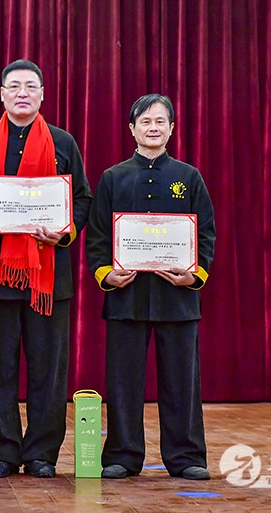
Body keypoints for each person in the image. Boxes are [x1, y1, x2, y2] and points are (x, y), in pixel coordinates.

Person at [0, 59, 91, 478]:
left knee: (48, 370)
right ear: (1, 94)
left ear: (42, 94)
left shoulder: (63, 143)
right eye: (13, 86)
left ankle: (41, 454)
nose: (22, 93)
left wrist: (64, 232)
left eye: (30, 86)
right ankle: (0, 453)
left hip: (48, 278)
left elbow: (82, 200)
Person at [86, 94, 216, 480]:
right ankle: (122, 455)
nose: (153, 128)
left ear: (172, 128)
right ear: (132, 129)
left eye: (160, 121)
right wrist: (105, 274)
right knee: (123, 382)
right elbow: (97, 237)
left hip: (178, 297)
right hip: (126, 297)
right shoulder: (113, 177)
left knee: (181, 382)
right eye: (145, 121)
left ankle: (186, 457)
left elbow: (205, 234)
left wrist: (195, 274)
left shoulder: (189, 177)